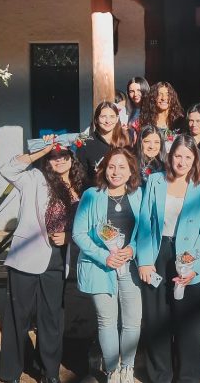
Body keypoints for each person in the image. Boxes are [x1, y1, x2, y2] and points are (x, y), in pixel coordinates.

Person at [0, 137, 83, 383]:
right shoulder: (34, 179)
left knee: (51, 319)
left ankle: (50, 373)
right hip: (26, 257)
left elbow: (84, 225)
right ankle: (10, 373)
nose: (58, 160)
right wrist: (40, 151)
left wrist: (69, 237)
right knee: (18, 317)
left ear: (71, 158)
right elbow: (7, 169)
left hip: (57, 260)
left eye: (63, 155)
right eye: (53, 156)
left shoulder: (80, 187)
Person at [137, 135, 200, 383]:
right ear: (170, 157)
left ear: (195, 160)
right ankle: (160, 375)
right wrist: (145, 261)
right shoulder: (155, 180)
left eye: (188, 157)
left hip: (189, 258)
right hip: (158, 252)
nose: (182, 161)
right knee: (157, 319)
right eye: (178, 156)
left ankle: (188, 377)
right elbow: (145, 222)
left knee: (189, 325)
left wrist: (194, 261)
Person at [72, 148, 143, 383]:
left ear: (131, 170)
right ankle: (113, 371)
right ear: (104, 168)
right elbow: (78, 233)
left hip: (131, 266)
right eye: (112, 166)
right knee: (107, 321)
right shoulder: (92, 195)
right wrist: (104, 256)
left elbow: (145, 230)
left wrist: (132, 249)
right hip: (101, 267)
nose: (116, 172)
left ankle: (128, 368)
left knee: (132, 321)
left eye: (122, 167)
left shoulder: (139, 195)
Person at [77, 101, 130, 186]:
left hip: (125, 192)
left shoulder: (127, 139)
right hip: (98, 193)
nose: (107, 121)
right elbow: (81, 177)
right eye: (103, 117)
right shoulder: (86, 145)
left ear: (117, 119)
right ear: (96, 119)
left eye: (112, 117)